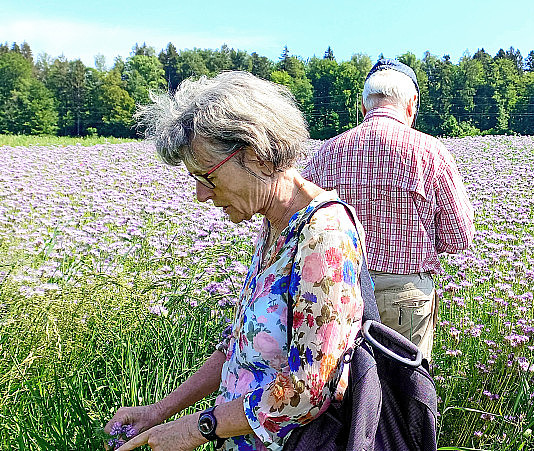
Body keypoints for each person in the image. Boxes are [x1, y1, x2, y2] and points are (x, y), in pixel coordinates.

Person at [105, 71, 366, 451]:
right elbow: (240, 347)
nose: (200, 195)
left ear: (256, 154)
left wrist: (200, 427)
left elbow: (310, 386)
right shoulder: (276, 226)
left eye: (206, 177)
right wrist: (160, 411)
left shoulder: (323, 232)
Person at [303, 59, 475, 364]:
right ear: (411, 105)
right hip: (406, 295)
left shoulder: (326, 152)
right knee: (405, 395)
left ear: (364, 105)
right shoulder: (431, 152)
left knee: (346, 394)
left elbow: (301, 225)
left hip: (341, 291)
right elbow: (460, 236)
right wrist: (423, 242)